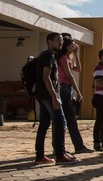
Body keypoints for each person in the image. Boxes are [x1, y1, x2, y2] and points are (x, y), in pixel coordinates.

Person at [34, 32, 76, 164]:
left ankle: (40, 156)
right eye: (58, 40)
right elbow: (46, 77)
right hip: (48, 95)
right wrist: (54, 97)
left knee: (44, 124)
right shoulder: (48, 55)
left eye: (62, 40)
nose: (61, 43)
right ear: (49, 41)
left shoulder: (48, 55)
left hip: (43, 94)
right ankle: (60, 154)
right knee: (60, 122)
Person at [57, 34, 92, 154]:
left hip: (68, 89)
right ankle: (78, 146)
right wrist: (78, 91)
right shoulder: (62, 59)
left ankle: (67, 146)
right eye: (72, 45)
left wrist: (76, 54)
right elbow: (70, 76)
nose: (74, 46)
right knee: (70, 119)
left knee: (68, 119)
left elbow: (78, 69)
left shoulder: (67, 58)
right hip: (65, 89)